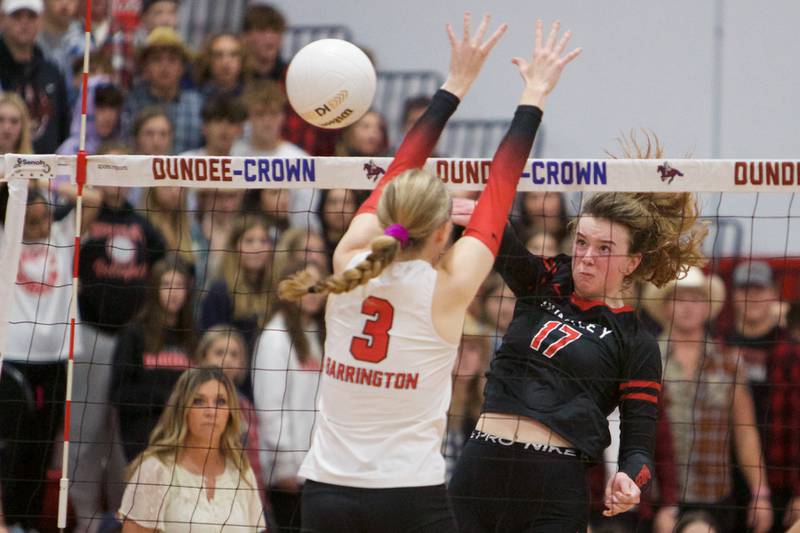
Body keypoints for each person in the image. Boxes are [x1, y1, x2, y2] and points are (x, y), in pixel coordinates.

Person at [279, 14, 579, 532]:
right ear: (444, 233)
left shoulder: (347, 259)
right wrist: (535, 91)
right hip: (409, 500)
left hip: (328, 496)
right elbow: (501, 185)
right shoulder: (448, 289)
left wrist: (455, 83)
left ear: (385, 216)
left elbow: (399, 169)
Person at [448, 144, 707, 529]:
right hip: (481, 469)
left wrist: (630, 479)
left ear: (632, 262)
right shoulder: (546, 280)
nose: (586, 257)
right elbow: (498, 233)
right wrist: (473, 207)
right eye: (582, 241)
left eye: (604, 249)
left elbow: (639, 446)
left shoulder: (636, 342)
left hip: (554, 485)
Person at [642, 267, 772, 532]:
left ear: (707, 307)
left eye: (696, 299)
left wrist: (760, 493)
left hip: (714, 496)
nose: (688, 307)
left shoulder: (729, 362)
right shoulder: (645, 360)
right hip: (656, 495)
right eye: (679, 298)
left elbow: (745, 432)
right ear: (666, 306)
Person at [0, 184, 100, 528]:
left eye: (44, 217)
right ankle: (8, 520)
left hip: (57, 358)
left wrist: (42, 181)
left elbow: (95, 198)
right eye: (32, 220)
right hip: (13, 358)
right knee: (12, 446)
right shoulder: (6, 239)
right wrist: (18, 182)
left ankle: (27, 522)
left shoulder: (61, 235)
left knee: (43, 447)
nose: (41, 225)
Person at [119, 366, 266, 532]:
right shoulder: (155, 470)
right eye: (198, 401)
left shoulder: (241, 471)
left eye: (220, 402)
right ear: (182, 410)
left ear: (230, 412)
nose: (211, 411)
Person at [253, 260, 326, 531]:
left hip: (316, 469)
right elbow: (271, 408)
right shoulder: (275, 337)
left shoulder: (318, 334)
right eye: (305, 285)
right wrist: (284, 468)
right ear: (288, 289)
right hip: (289, 476)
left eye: (317, 285)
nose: (313, 291)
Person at [111, 254, 196, 462]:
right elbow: (119, 394)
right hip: (143, 434)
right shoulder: (134, 334)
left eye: (179, 286)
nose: (173, 292)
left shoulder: (193, 336)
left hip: (185, 433)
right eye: (166, 285)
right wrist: (163, 399)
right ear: (155, 288)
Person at [0, 0, 71, 154]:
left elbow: (63, 126)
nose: (24, 23)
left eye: (31, 16)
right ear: (2, 18)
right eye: (16, 16)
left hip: (47, 165)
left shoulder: (52, 72)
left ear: (40, 21)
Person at [122, 27, 203, 154]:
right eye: (157, 59)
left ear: (182, 67)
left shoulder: (197, 104)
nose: (164, 67)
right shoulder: (133, 103)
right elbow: (126, 148)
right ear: (145, 67)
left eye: (172, 60)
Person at [193, 33, 248, 99]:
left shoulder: (252, 97)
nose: (225, 62)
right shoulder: (193, 98)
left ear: (242, 60)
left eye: (233, 55)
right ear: (208, 61)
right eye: (218, 55)